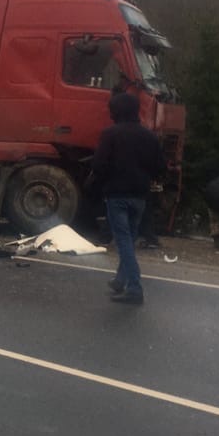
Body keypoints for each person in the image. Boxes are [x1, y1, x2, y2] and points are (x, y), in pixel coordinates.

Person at [90, 92, 166, 306]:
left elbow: (98, 165)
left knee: (123, 242)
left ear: (116, 111)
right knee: (129, 239)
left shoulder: (110, 134)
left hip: (117, 195)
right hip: (140, 197)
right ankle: (120, 280)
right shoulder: (149, 136)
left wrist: (102, 182)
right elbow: (161, 166)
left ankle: (134, 289)